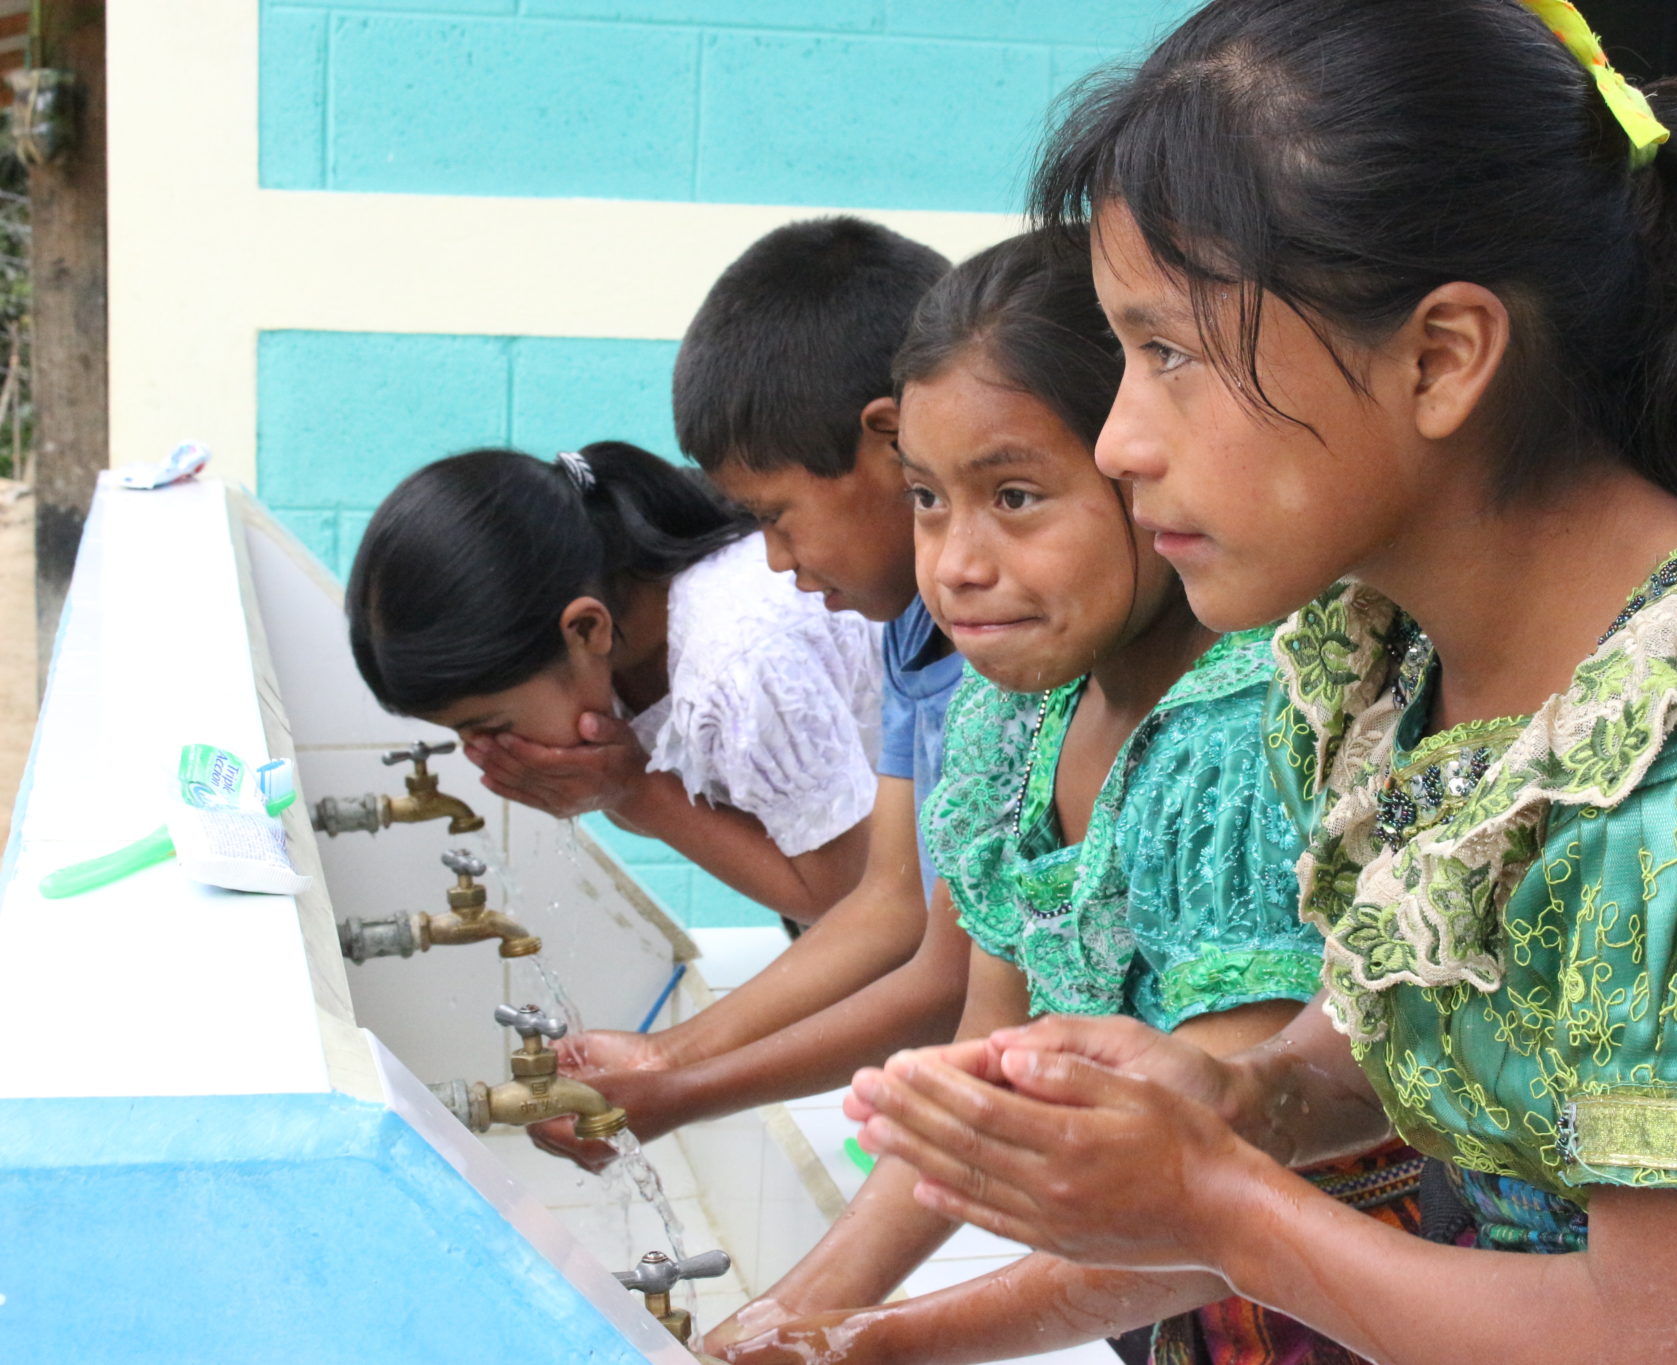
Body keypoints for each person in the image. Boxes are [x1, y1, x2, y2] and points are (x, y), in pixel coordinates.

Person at [847, 3, 1677, 1362]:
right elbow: (1417, 1030)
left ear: (1440, 358)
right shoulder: (1398, 660)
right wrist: (1239, 1096)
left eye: (1170, 352)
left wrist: (1217, 1199)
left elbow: (1676, 1344)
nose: (1120, 440)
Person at [708, 230, 1419, 1365]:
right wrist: (784, 1321)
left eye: (1018, 496)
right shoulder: (1015, 715)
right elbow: (981, 1073)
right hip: (1153, 1301)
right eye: (929, 500)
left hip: (1331, 1311)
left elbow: (1216, 1174)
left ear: (1147, 467)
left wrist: (871, 1345)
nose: (955, 563)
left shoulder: (1241, 729)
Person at [516, 218, 987, 1164]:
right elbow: (904, 913)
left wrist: (679, 1082)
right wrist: (664, 1062)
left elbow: (945, 972)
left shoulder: (1018, 668)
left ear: (892, 444)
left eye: (776, 517)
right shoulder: (911, 635)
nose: (773, 558)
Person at [346, 440, 881, 923]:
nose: (482, 752)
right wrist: (616, 787)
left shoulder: (738, 656)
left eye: (487, 726)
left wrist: (635, 789)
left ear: (585, 628)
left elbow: (846, 898)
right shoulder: (616, 647)